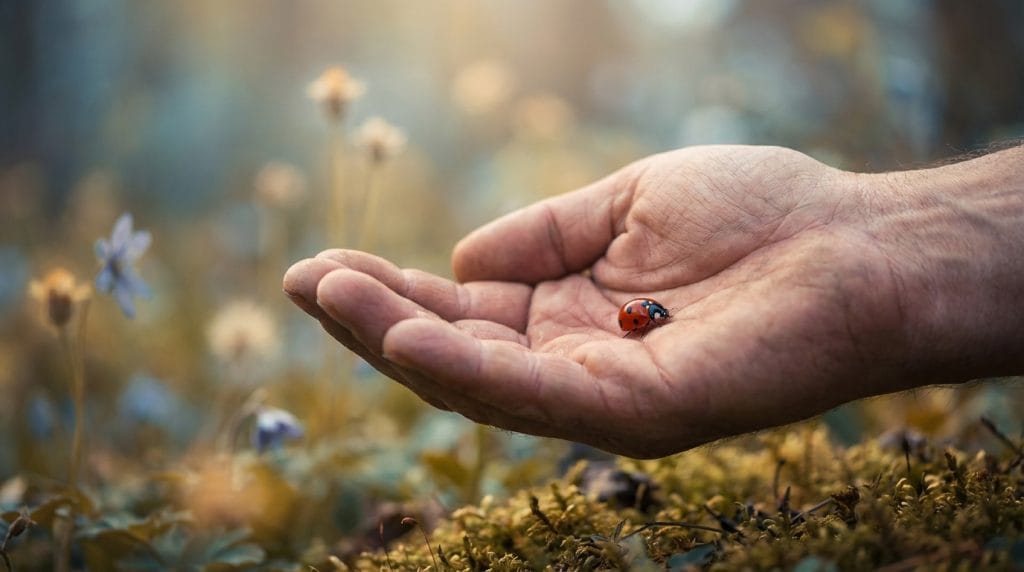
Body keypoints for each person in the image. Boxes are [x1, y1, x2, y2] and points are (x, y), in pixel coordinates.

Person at [283, 144, 1024, 458]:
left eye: (647, 317)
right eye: (647, 317)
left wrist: (861, 238)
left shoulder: (647, 309)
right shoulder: (642, 314)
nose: (645, 317)